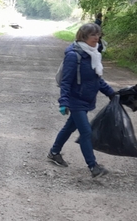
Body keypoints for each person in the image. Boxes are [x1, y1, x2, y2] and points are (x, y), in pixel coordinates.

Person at [47, 23, 115, 178]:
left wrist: (112, 94)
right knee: (86, 132)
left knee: (69, 127)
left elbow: (97, 80)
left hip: (87, 99)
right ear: (84, 36)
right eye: (93, 35)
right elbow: (66, 81)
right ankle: (93, 167)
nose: (97, 38)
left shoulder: (94, 54)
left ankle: (54, 152)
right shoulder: (74, 55)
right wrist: (63, 102)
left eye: (98, 35)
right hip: (75, 99)